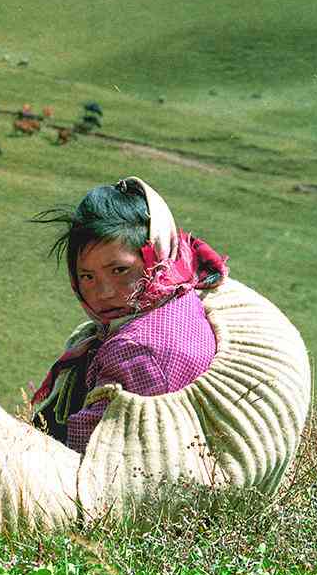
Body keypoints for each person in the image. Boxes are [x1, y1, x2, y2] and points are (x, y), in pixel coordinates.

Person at [30, 176, 228, 454]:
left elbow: (81, 455)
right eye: (87, 276)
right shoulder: (177, 295)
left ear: (155, 257)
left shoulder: (136, 351)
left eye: (119, 270)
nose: (104, 292)